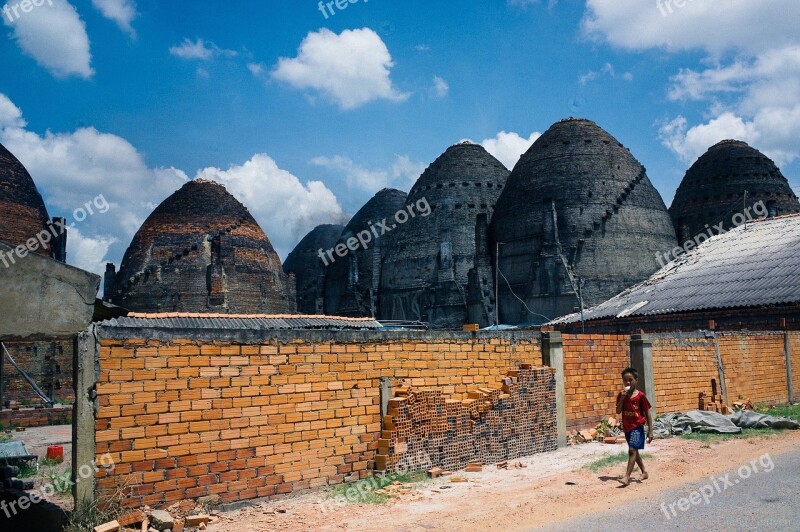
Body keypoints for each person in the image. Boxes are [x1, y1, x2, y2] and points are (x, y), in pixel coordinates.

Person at [615, 367, 653, 487]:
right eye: (625, 380)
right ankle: (644, 472)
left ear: (636, 380)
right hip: (627, 428)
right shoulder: (622, 395)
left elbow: (647, 413)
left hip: (637, 427)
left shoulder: (641, 396)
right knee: (635, 451)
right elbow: (618, 411)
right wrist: (622, 399)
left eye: (630, 380)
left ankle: (627, 477)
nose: (627, 383)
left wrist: (650, 430)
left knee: (632, 450)